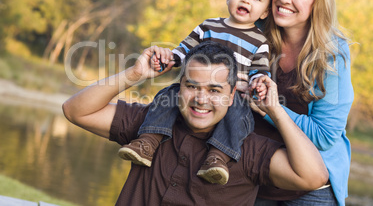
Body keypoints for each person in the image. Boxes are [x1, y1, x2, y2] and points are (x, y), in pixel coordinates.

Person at [62, 41, 328, 205]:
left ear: (232, 94)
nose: (201, 100)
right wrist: (134, 74)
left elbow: (313, 176)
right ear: (179, 87)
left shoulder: (247, 150)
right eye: (192, 86)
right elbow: (75, 111)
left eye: (214, 90)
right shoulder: (151, 126)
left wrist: (275, 111)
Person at [117, 0, 275, 185]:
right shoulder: (208, 26)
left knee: (239, 116)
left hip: (232, 95)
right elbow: (183, 51)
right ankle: (147, 142)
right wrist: (168, 59)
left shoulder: (259, 41)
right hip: (195, 88)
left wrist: (259, 84)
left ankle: (218, 158)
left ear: (265, 12)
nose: (246, 0)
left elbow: (259, 71)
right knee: (168, 96)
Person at [246, 0, 354, 206]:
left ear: (318, 3)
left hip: (310, 187)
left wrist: (269, 110)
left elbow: (325, 135)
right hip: (254, 174)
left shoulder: (332, 54)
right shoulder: (253, 32)